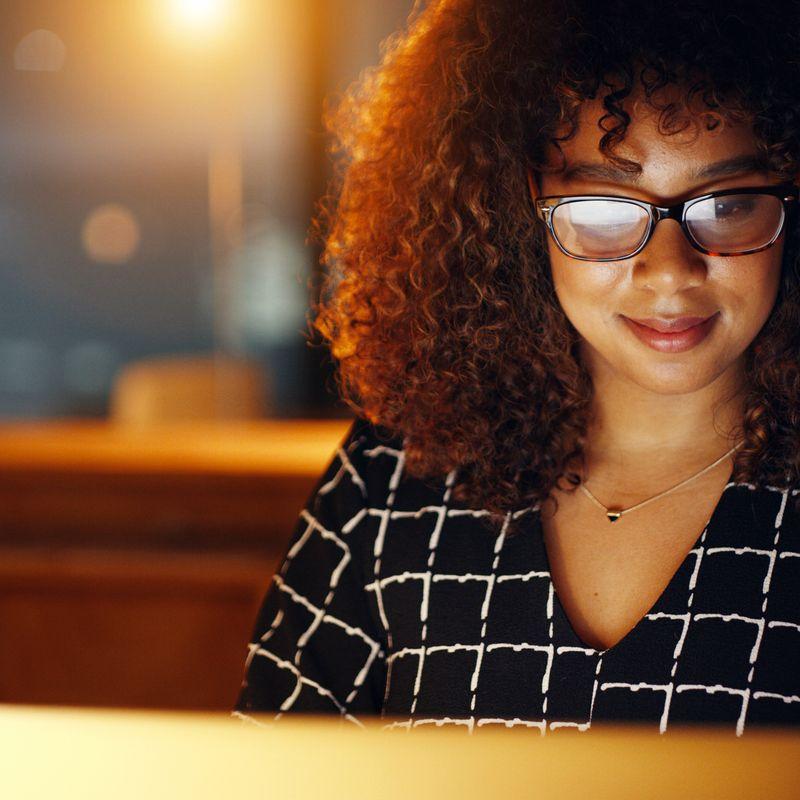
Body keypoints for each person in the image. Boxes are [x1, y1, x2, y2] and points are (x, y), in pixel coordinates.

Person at [232, 0, 800, 735]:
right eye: (602, 210)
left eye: (727, 206)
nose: (668, 273)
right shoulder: (393, 479)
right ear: (517, 215)